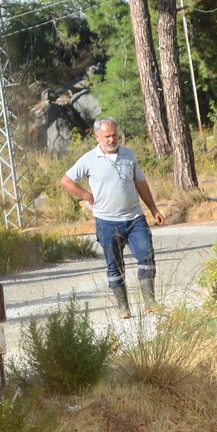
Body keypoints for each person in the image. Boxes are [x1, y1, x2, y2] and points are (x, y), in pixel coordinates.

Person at [59, 116, 166, 318]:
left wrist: (153, 209)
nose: (111, 139)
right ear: (97, 136)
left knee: (146, 255)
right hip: (107, 222)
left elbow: (141, 183)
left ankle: (150, 302)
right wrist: (86, 195)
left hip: (135, 218)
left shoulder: (128, 155)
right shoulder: (89, 159)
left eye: (114, 135)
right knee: (114, 265)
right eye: (107, 136)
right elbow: (66, 180)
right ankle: (123, 307)